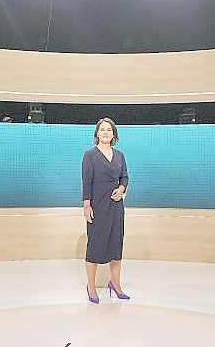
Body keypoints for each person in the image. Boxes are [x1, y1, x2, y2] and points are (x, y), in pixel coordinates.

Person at [82, 117, 130, 304]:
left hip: (116, 208)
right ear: (97, 133)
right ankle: (91, 287)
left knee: (116, 247)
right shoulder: (90, 155)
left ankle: (116, 285)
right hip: (97, 207)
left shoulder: (120, 155)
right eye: (102, 129)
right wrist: (87, 205)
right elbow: (86, 182)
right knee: (94, 247)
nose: (105, 132)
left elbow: (125, 177)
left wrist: (122, 189)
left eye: (109, 130)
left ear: (113, 134)